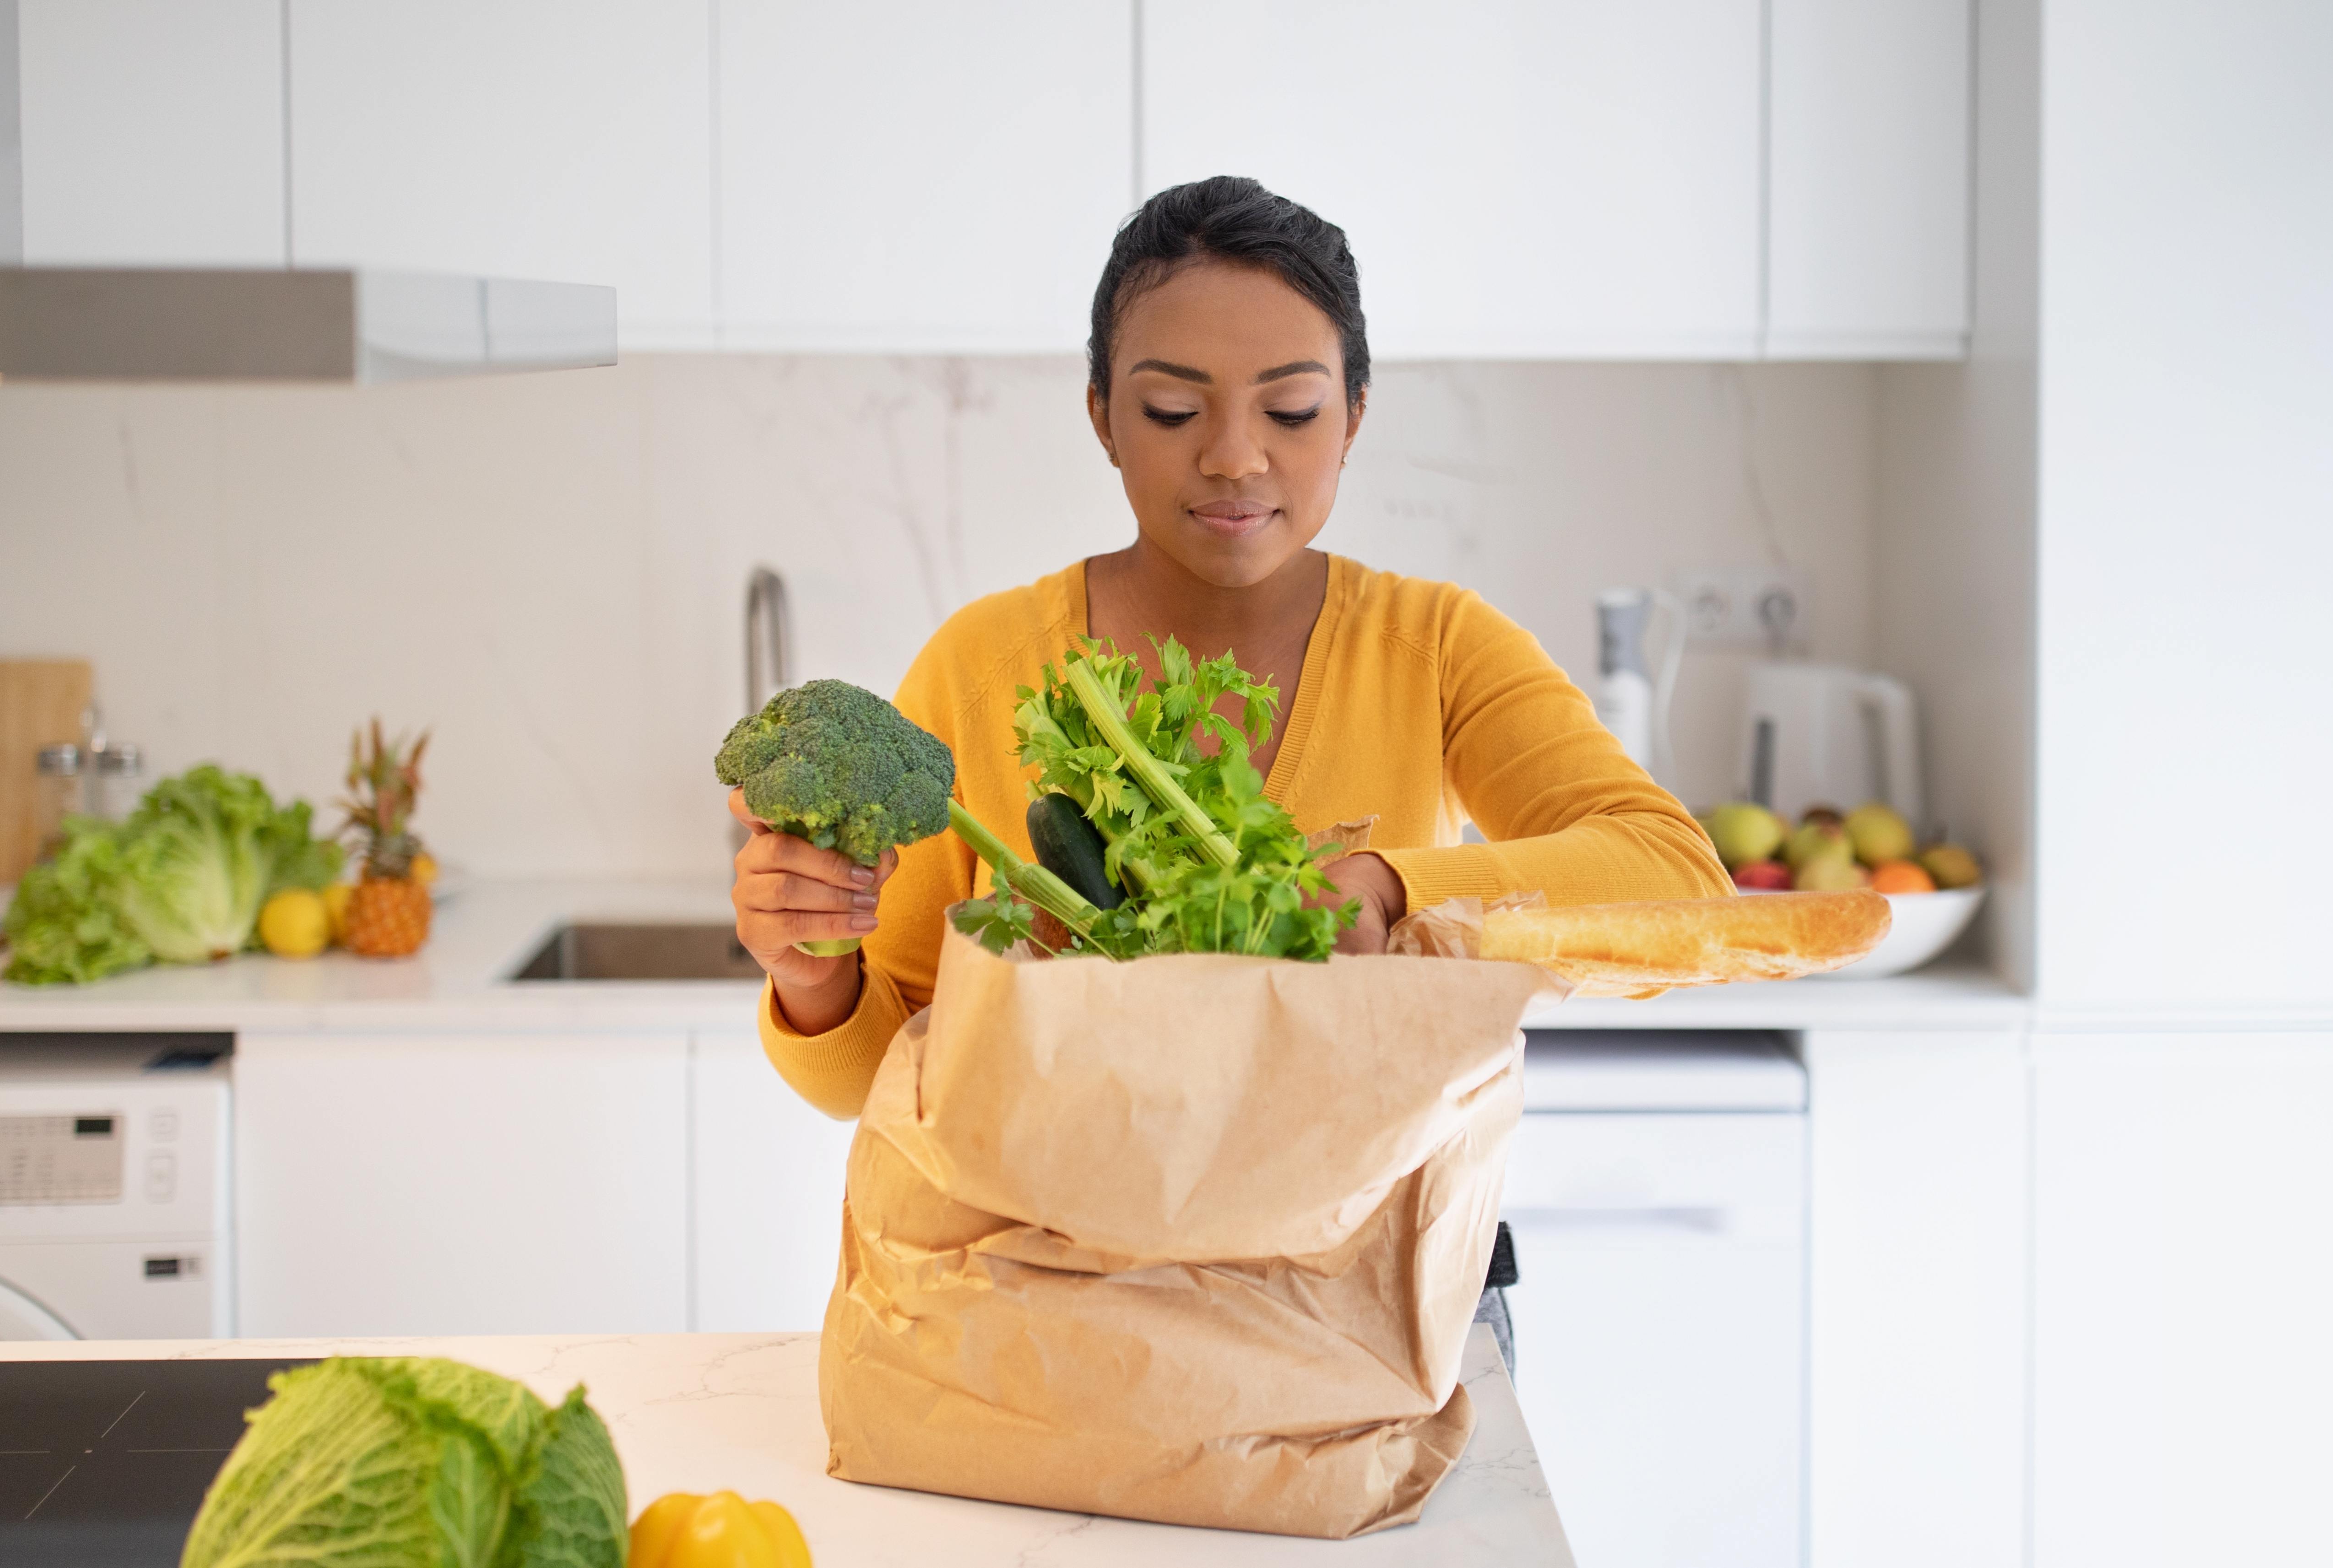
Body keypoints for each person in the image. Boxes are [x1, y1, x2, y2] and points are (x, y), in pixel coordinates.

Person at [730, 175, 1729, 1120]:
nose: (1234, 456)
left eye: (1291, 411)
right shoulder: (984, 664)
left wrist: (1394, 885)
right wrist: (813, 978)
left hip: (1349, 1288)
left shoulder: (1436, 649)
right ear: (1104, 418)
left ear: (1352, 421)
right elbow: (882, 1076)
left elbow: (1679, 879)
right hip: (1055, 1289)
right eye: (1172, 411)